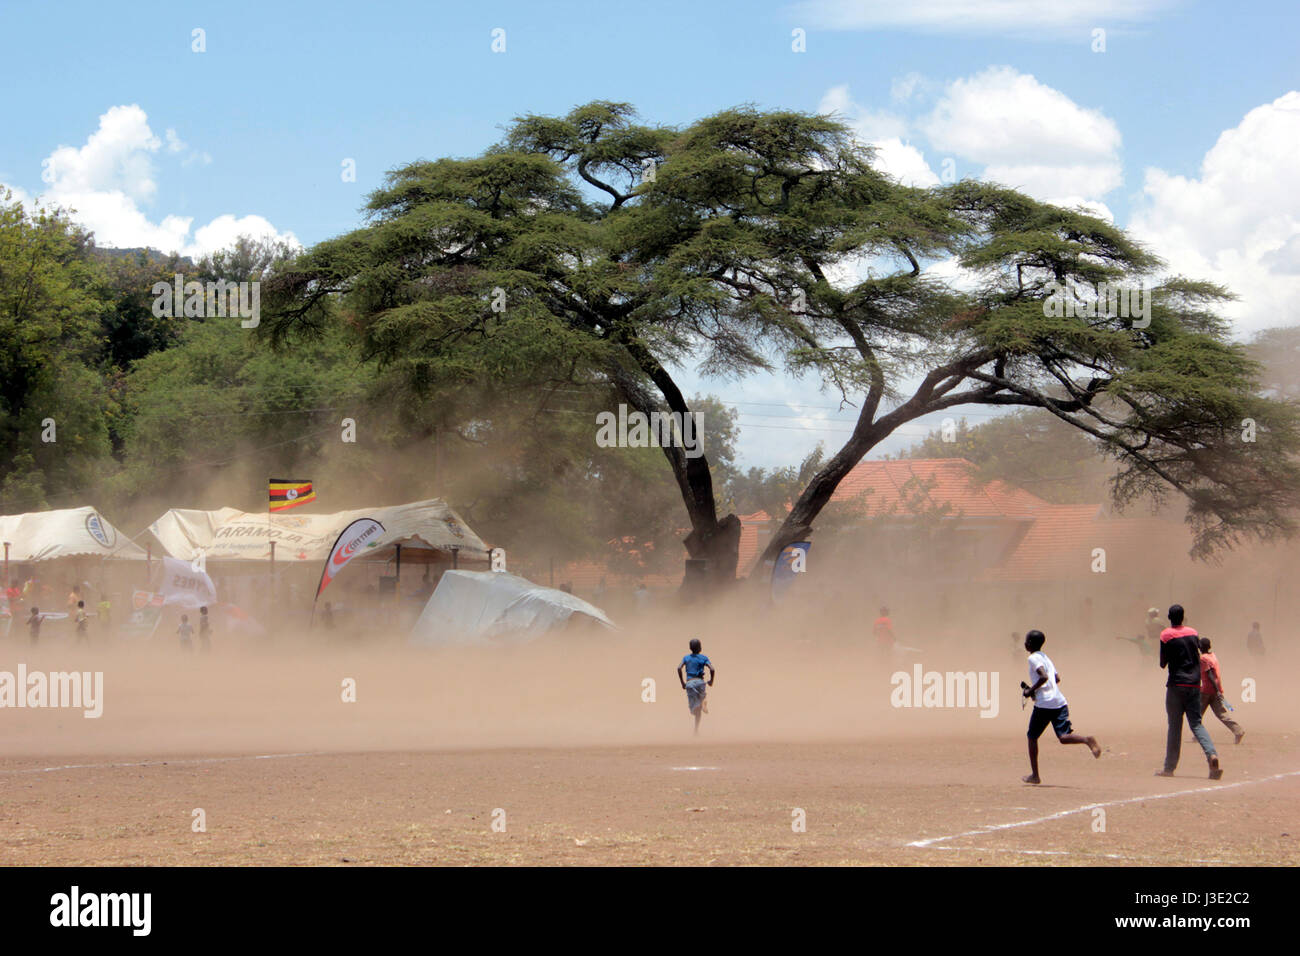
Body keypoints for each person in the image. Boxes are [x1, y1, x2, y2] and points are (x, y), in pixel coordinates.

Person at [1021, 629, 1101, 784]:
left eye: (1026, 641)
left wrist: (1031, 690)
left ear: (1029, 644)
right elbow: (1056, 678)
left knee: (1032, 737)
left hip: (1044, 705)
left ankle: (1035, 775)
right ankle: (1086, 740)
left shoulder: (1033, 658)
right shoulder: (1046, 658)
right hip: (1059, 701)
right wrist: (1038, 689)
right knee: (1063, 737)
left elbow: (1044, 677)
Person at [1157, 604, 1221, 779]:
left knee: (1175, 727)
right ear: (1183, 617)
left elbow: (1163, 663)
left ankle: (1169, 768)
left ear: (1169, 618)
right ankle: (1212, 755)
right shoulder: (1193, 633)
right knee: (1197, 724)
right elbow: (1198, 654)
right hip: (1194, 685)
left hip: (1176, 685)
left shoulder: (1166, 635)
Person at [1198, 638, 1244, 745]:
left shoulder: (1203, 658)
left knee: (1197, 714)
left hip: (1206, 690)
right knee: (1222, 714)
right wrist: (1218, 690)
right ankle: (1238, 730)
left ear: (1200, 647)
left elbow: (1209, 674)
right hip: (1215, 690)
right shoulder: (1213, 656)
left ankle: (1198, 735)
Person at [676, 638, 715, 735]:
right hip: (700, 682)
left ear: (690, 648)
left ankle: (696, 729)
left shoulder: (686, 658)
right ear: (700, 647)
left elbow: (679, 668)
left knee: (695, 710)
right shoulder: (703, 658)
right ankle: (703, 702)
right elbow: (712, 669)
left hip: (690, 683)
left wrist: (682, 683)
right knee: (701, 701)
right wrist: (711, 681)